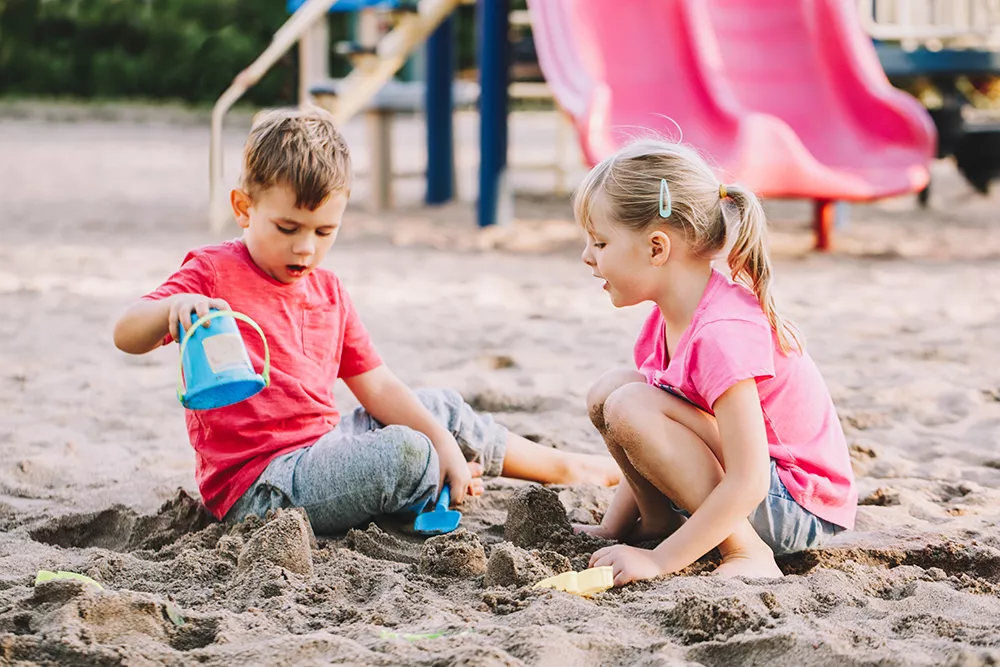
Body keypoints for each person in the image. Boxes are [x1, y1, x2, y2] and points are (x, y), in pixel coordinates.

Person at [113, 107, 619, 533]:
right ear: (244, 208)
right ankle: (437, 477)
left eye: (324, 231)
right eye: (287, 228)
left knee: (436, 409)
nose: (305, 247)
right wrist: (172, 310)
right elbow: (127, 333)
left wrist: (442, 439)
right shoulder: (212, 273)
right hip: (262, 484)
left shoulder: (328, 290)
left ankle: (563, 467)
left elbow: (377, 386)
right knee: (405, 452)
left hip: (325, 448)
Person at [572, 139, 856, 585]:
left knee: (631, 402)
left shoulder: (722, 331)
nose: (588, 256)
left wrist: (661, 561)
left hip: (796, 505)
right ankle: (657, 521)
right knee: (612, 391)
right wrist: (614, 527)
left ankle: (747, 550)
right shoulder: (664, 322)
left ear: (656, 248)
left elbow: (749, 479)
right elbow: (656, 435)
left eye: (601, 241)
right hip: (751, 488)